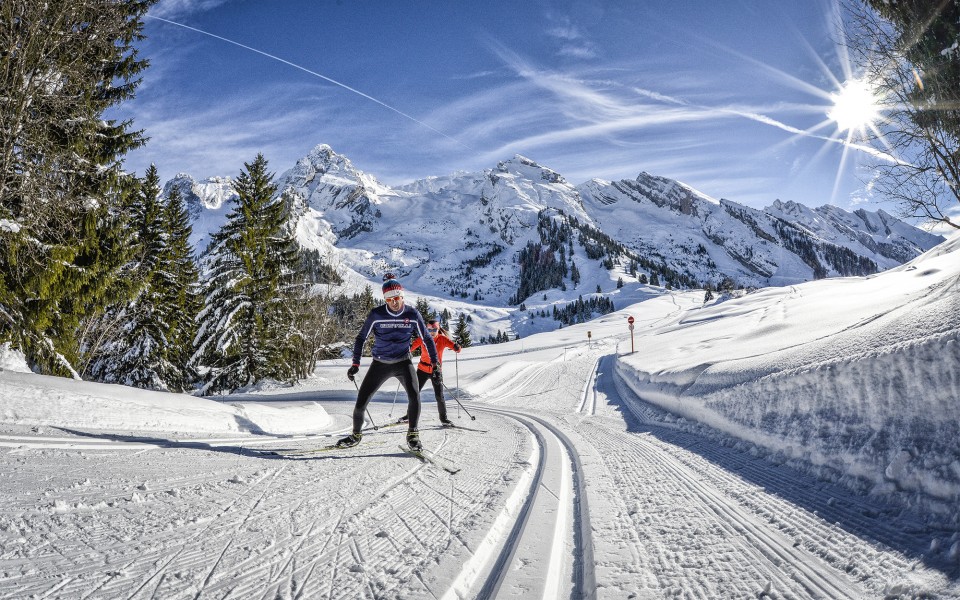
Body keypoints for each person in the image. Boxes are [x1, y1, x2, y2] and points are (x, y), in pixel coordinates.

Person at [338, 275, 440, 452]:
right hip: (380, 364)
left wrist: (435, 364)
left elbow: (427, 340)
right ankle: (355, 435)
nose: (394, 302)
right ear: (385, 299)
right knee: (361, 402)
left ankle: (413, 436)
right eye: (390, 299)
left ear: (402, 297)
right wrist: (355, 364)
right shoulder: (376, 314)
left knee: (414, 396)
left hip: (403, 362)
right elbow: (361, 338)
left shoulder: (412, 314)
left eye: (397, 298)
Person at [397, 319, 461, 426]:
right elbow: (411, 347)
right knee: (414, 393)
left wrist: (457, 347)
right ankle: (409, 416)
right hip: (422, 370)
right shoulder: (423, 338)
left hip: (436, 371)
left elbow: (457, 349)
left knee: (439, 396)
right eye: (429, 329)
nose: (431, 332)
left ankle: (444, 419)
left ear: (438, 329)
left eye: (434, 329)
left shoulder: (442, 339)